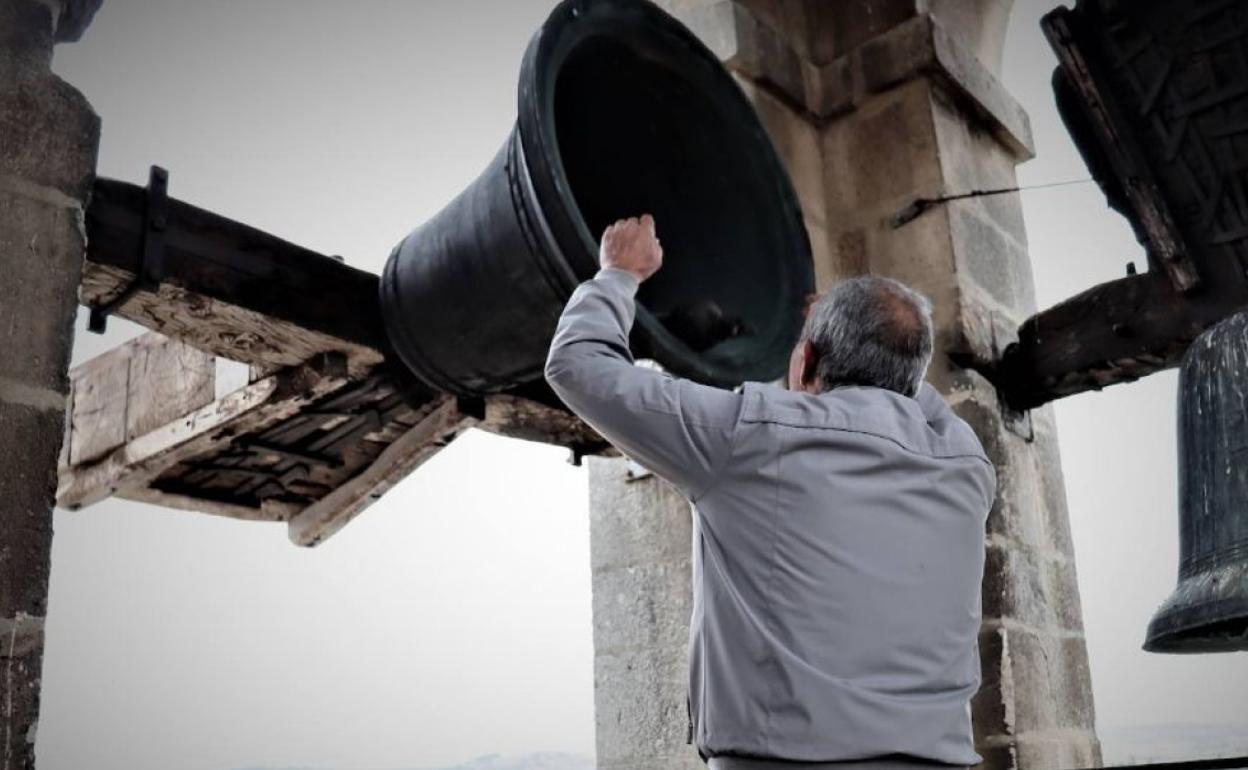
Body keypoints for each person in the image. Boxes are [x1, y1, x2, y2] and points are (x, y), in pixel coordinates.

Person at [545, 215, 996, 770]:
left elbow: (576, 365)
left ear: (804, 361)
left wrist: (616, 274)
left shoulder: (749, 435)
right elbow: (901, 388)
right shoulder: (967, 462)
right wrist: (857, 332)